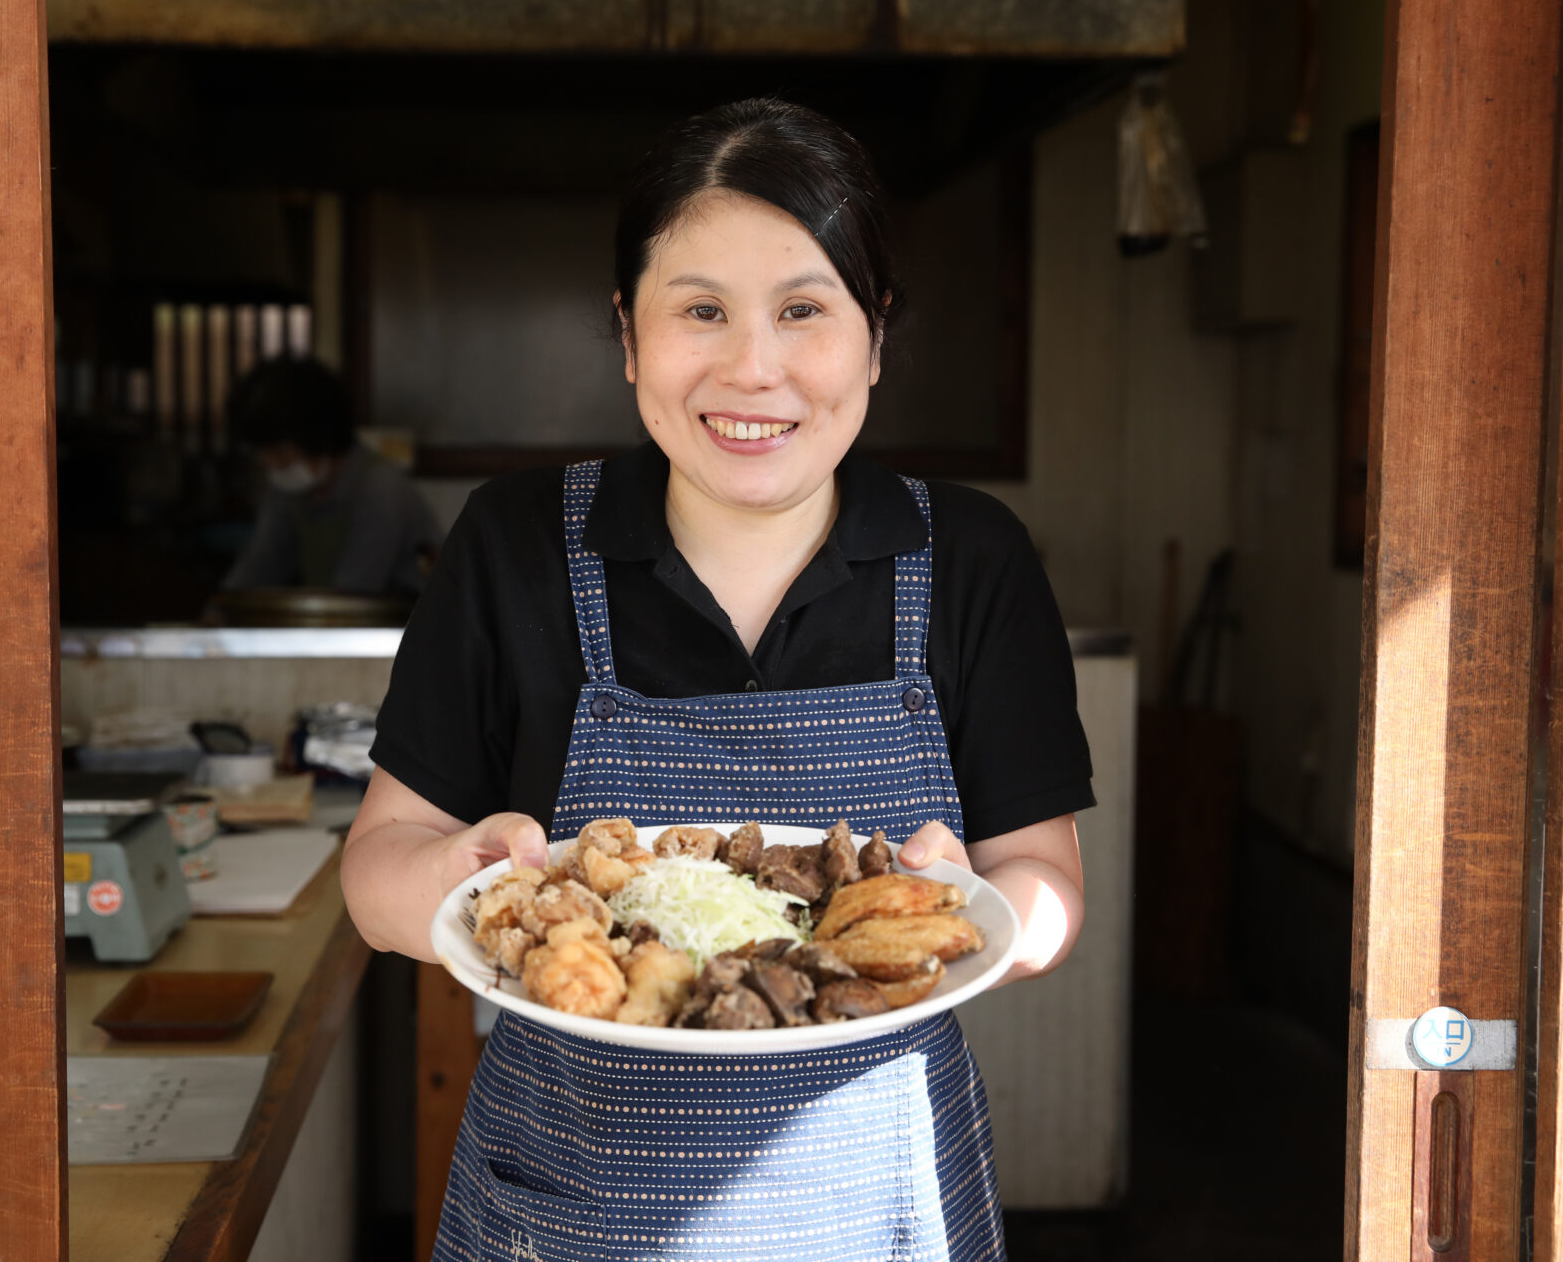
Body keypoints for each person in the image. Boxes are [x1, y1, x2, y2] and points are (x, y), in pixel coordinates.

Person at [342, 98, 1092, 1262]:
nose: (754, 368)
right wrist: (459, 876)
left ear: (875, 334)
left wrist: (969, 910)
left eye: (805, 310)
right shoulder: (516, 543)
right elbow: (376, 871)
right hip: (565, 1207)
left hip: (883, 1208)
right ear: (629, 334)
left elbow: (1043, 880)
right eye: (701, 311)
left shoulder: (972, 558)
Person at [220, 357, 439, 597]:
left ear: (319, 436)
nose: (272, 465)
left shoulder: (380, 489)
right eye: (263, 455)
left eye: (280, 453)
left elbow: (354, 590)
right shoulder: (288, 491)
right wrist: (221, 610)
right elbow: (260, 566)